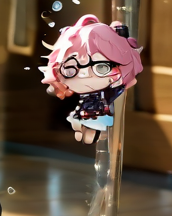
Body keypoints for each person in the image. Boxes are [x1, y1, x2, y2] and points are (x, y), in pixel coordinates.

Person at [43, 15, 144, 144]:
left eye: (101, 67)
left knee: (94, 124)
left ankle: (90, 131)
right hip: (85, 112)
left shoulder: (111, 90)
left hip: (99, 114)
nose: (84, 74)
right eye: (70, 69)